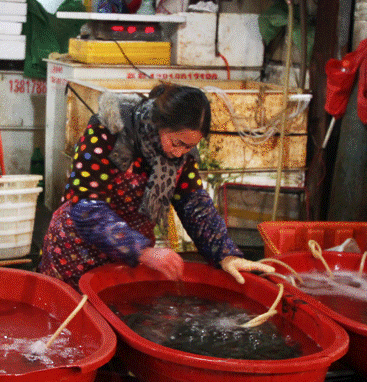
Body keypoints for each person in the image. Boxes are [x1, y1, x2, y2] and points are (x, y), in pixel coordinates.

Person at [38, 83, 274, 289]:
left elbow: (194, 204)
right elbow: (87, 208)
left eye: (189, 147)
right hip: (78, 252)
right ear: (161, 124)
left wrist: (226, 254)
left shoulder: (181, 156)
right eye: (177, 142)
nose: (180, 152)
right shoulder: (106, 133)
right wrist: (141, 250)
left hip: (132, 259)